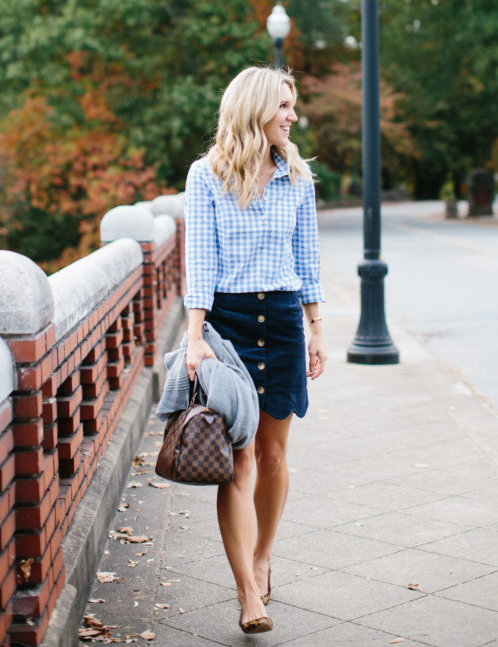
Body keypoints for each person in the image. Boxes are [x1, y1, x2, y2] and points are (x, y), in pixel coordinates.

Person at [184, 65, 326, 635]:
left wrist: (318, 328)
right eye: (284, 106)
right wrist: (194, 338)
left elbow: (309, 259)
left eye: (293, 107)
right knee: (238, 459)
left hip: (286, 321)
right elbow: (200, 263)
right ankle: (248, 592)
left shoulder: (297, 175)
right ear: (256, 108)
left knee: (272, 455)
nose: (292, 116)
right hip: (230, 326)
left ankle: (263, 555)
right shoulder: (206, 175)